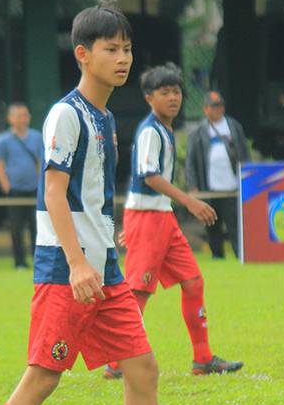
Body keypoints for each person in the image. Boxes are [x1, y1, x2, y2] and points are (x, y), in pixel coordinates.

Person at [0, 2, 221, 405]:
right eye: (111, 49)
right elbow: (53, 193)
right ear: (83, 54)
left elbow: (90, 198)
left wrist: (105, 250)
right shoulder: (66, 114)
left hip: (104, 268)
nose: (123, 58)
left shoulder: (106, 116)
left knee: (143, 368)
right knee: (43, 375)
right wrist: (77, 262)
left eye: (127, 48)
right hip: (68, 271)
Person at [104, 64, 243, 381]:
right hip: (149, 217)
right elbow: (149, 176)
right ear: (149, 97)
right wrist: (189, 201)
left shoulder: (165, 130)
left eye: (177, 91)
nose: (172, 98)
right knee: (138, 290)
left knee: (193, 282)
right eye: (164, 92)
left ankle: (203, 359)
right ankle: (115, 360)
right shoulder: (150, 130)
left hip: (160, 217)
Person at [184, 90, 250, 259]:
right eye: (213, 107)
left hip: (231, 186)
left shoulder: (234, 127)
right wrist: (193, 186)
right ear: (205, 109)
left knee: (234, 223)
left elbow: (244, 153)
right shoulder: (198, 132)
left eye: (219, 105)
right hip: (209, 187)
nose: (217, 110)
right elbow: (190, 161)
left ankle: (239, 255)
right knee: (211, 223)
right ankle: (217, 255)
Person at [0, 101, 43, 270]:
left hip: (34, 189)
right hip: (15, 189)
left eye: (24, 115)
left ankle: (38, 261)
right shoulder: (3, 140)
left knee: (37, 227)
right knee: (16, 227)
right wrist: (6, 186)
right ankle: (19, 261)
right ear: (10, 119)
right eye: (18, 116)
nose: (22, 119)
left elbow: (40, 161)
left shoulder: (36, 137)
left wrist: (40, 183)